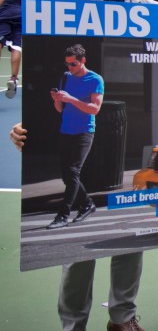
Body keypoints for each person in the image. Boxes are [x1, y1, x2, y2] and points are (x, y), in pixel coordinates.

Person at [53, 0, 157, 331]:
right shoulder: (61, 10)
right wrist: (24, 127)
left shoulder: (153, 12)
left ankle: (122, 319)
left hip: (131, 133)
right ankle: (72, 328)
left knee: (130, 229)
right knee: (80, 236)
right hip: (79, 127)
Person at [46, 44, 103, 230]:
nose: (70, 68)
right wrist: (57, 100)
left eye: (73, 64)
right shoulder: (65, 77)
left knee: (73, 171)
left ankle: (62, 215)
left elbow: (95, 109)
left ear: (83, 61)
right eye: (67, 64)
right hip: (66, 130)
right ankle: (87, 204)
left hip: (84, 131)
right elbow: (60, 109)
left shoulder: (95, 79)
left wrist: (71, 99)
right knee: (67, 176)